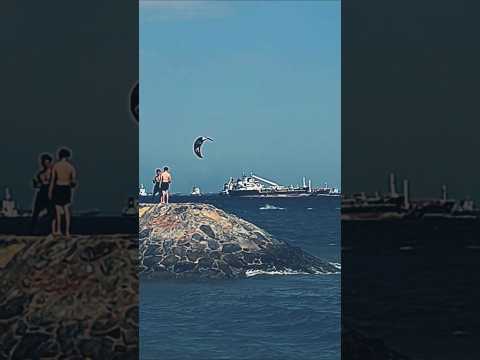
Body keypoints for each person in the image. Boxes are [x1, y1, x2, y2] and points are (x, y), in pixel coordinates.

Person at [49, 147, 77, 237]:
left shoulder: (56, 166)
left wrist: (50, 191)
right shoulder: (71, 167)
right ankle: (67, 231)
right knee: (66, 210)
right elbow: (73, 182)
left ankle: (59, 230)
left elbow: (52, 180)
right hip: (67, 188)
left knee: (58, 210)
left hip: (58, 187)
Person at [30, 153, 55, 234]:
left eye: (47, 163)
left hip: (50, 192)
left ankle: (52, 230)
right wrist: (36, 184)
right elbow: (38, 185)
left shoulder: (53, 172)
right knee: (36, 211)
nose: (45, 164)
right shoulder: (40, 174)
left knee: (51, 212)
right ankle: (33, 229)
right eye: (44, 163)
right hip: (42, 192)